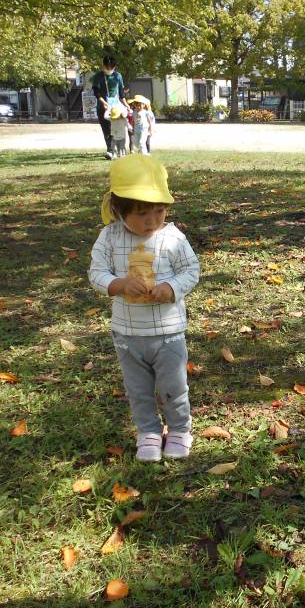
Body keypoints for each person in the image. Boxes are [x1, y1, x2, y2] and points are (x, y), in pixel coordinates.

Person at [88, 154, 200, 461]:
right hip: (128, 334)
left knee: (174, 387)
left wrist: (171, 288)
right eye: (142, 213)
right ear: (119, 209)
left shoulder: (172, 237)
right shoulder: (110, 237)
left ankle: (179, 429)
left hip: (168, 332)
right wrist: (119, 284)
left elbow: (191, 270)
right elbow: (96, 272)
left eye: (159, 211)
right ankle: (148, 431)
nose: (152, 220)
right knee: (138, 390)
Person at [92, 56, 126, 159]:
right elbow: (96, 93)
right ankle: (110, 151)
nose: (110, 69)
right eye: (108, 67)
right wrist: (104, 103)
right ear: (104, 66)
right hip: (102, 107)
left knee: (116, 129)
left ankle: (118, 150)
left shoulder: (118, 76)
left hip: (116, 108)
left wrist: (126, 104)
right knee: (106, 129)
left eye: (112, 67)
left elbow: (121, 93)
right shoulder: (98, 76)